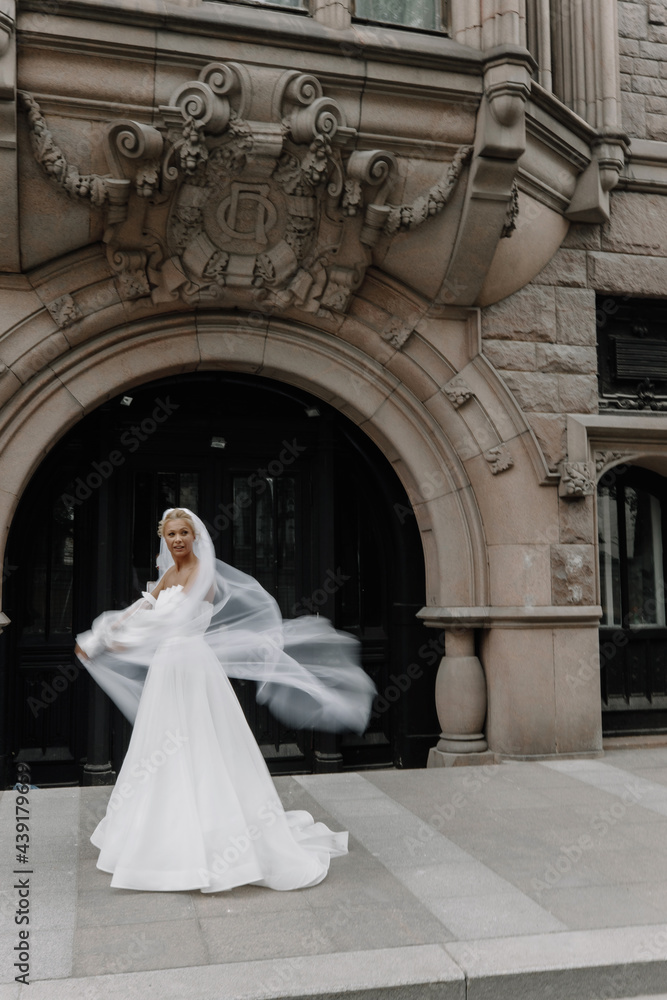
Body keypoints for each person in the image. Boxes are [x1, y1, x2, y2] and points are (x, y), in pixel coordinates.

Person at [74, 507, 376, 892]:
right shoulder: (169, 572)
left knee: (200, 743)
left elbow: (170, 622)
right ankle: (157, 833)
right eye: (171, 535)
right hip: (167, 670)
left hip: (191, 666)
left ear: (194, 536)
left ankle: (214, 837)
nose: (178, 539)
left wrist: (119, 642)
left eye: (184, 532)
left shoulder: (204, 573)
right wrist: (104, 634)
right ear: (163, 539)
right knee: (160, 745)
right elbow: (144, 608)